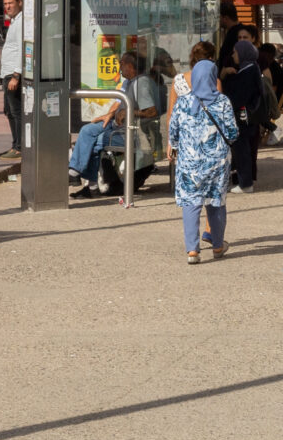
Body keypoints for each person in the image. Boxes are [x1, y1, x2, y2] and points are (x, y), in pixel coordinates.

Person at [169, 56, 238, 264]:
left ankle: (192, 251)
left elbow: (174, 132)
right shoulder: (223, 101)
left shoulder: (183, 101)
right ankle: (217, 246)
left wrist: (176, 145)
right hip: (217, 162)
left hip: (190, 162)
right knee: (215, 202)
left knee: (191, 204)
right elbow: (233, 133)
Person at [68, 50, 160, 197]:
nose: (119, 66)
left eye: (122, 63)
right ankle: (74, 172)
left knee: (97, 141)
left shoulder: (141, 83)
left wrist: (131, 112)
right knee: (87, 130)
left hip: (130, 131)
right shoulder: (127, 82)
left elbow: (152, 112)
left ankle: (91, 187)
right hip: (116, 123)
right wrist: (109, 115)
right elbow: (118, 102)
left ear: (130, 66)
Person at [220, 18, 264, 193]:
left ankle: (245, 183)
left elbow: (239, 96)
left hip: (243, 117)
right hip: (245, 117)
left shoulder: (247, 71)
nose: (233, 56)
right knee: (241, 150)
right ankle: (244, 181)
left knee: (242, 150)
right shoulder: (249, 68)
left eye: (236, 53)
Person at [0, 0, 26, 159]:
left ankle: (20, 147)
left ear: (19, 3)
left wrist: (16, 75)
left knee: (15, 111)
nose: (7, 7)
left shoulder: (21, 22)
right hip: (6, 74)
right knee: (9, 111)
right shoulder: (14, 21)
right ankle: (15, 144)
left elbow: (23, 49)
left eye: (11, 3)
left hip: (13, 75)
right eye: (5, 4)